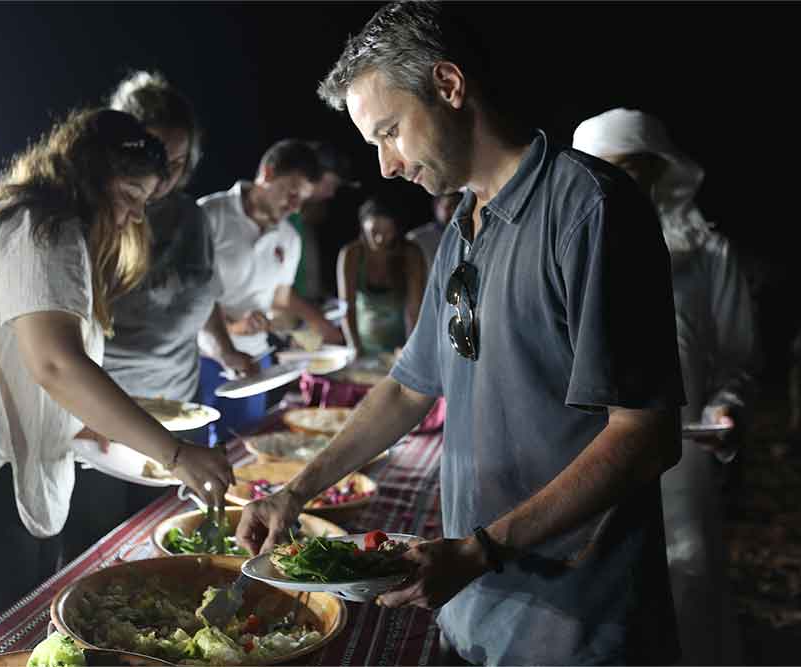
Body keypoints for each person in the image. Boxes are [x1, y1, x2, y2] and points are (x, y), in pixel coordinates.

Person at [237, 3, 685, 665]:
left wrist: (484, 546)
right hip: (476, 611)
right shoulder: (463, 232)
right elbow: (408, 388)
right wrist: (296, 491)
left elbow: (644, 433)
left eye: (390, 132)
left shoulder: (590, 209)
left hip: (577, 625)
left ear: (448, 86)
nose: (386, 165)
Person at [0, 109, 234, 649]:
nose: (134, 216)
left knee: (31, 636)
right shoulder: (45, 225)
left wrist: (97, 432)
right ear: (91, 170)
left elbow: (28, 372)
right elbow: (56, 365)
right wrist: (177, 454)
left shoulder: (23, 217)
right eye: (130, 195)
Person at [573, 107, 762, 665]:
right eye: (602, 171)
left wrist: (728, 407)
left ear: (659, 172)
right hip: (582, 458)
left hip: (681, 455)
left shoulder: (707, 254)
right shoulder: (565, 255)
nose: (618, 185)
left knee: (688, 580)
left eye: (630, 169)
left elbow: (738, 360)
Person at [61, 72, 258, 563]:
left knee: (165, 546)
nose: (166, 177)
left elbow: (203, 293)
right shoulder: (96, 220)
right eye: (155, 158)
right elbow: (59, 344)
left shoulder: (193, 219)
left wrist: (225, 350)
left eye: (178, 162)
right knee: (100, 552)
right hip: (105, 419)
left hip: (181, 411)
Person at [197, 139, 343, 442]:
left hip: (254, 362)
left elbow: (279, 302)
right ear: (267, 172)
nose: (294, 206)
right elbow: (191, 295)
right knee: (190, 452)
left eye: (302, 200)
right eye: (291, 192)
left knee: (243, 446)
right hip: (199, 358)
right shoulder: (209, 215)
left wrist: (311, 332)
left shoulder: (289, 238)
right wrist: (235, 325)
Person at [336, 194, 427, 356]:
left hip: (400, 346)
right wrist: (354, 346)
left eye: (388, 232)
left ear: (397, 230)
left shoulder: (411, 254)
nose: (380, 239)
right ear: (363, 227)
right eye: (374, 231)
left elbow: (415, 308)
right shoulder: (351, 254)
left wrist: (411, 351)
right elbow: (346, 306)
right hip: (362, 343)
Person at [291, 141, 359, 304]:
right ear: (310, 174)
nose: (331, 194)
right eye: (330, 184)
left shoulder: (306, 222)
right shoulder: (282, 218)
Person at [407, 190, 464, 270]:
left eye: (457, 207)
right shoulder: (417, 238)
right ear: (437, 206)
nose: (454, 212)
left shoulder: (466, 235)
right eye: (449, 206)